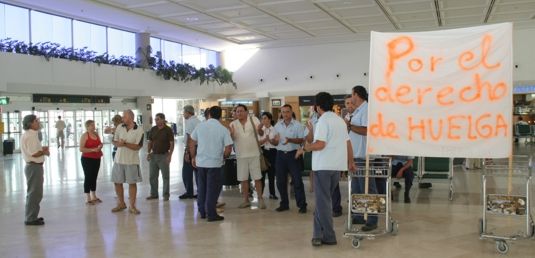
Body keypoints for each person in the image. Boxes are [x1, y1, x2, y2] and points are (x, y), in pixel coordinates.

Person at [304, 92, 355, 246]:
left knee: (323, 203)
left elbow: (320, 144)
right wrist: (350, 162)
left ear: (317, 107)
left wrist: (306, 148)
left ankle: (329, 236)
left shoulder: (322, 121)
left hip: (323, 167)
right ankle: (317, 234)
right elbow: (348, 143)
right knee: (323, 202)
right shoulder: (340, 121)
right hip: (337, 167)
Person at [190, 106, 233, 222]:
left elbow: (192, 141)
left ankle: (202, 212)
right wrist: (224, 156)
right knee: (212, 189)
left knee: (202, 188)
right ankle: (211, 214)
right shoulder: (223, 129)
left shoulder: (200, 126)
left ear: (209, 115)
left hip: (201, 163)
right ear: (220, 116)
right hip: (214, 164)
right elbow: (228, 147)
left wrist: (193, 157)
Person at [348, 85, 380, 232]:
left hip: (364, 157)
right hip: (355, 156)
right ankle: (360, 215)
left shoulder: (367, 109)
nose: (351, 98)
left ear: (357, 94)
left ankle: (373, 219)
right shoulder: (358, 110)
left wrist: (349, 126)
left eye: (352, 95)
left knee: (368, 188)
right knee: (357, 189)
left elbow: (367, 130)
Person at [229, 104, 265, 209]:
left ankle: (260, 199)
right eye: (237, 111)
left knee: (257, 178)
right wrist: (231, 134)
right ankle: (245, 200)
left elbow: (261, 133)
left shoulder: (254, 120)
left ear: (246, 112)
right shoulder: (233, 124)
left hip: (254, 154)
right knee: (243, 179)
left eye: (241, 111)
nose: (239, 113)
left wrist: (260, 129)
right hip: (240, 155)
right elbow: (232, 139)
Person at [273, 104, 307, 213]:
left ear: (291, 112)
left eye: (287, 112)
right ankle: (284, 204)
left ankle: (302, 205)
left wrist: (290, 140)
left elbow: (301, 140)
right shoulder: (277, 126)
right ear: (281, 113)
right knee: (280, 181)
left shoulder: (297, 125)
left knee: (297, 181)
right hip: (280, 155)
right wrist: (274, 141)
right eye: (283, 112)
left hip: (294, 155)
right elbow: (274, 142)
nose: (285, 114)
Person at [111, 109, 144, 215]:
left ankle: (132, 206)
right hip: (118, 160)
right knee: (117, 182)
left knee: (132, 183)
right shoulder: (120, 127)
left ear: (131, 118)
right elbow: (114, 141)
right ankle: (121, 203)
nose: (122, 118)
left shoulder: (139, 130)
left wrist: (124, 144)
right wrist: (117, 143)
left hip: (132, 161)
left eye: (124, 116)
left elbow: (138, 146)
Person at [21, 114, 50, 226]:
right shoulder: (31, 136)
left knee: (34, 192)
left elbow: (32, 150)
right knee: (35, 193)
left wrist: (41, 149)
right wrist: (44, 152)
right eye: (36, 121)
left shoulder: (30, 134)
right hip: (34, 167)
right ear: (30, 123)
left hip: (33, 167)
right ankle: (30, 218)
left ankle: (32, 216)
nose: (38, 123)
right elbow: (34, 153)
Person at [147, 113, 175, 201]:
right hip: (153, 155)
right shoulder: (153, 129)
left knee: (165, 176)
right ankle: (154, 194)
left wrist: (170, 155)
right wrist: (148, 152)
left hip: (164, 156)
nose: (156, 121)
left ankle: (166, 195)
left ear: (163, 119)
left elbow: (171, 143)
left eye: (158, 119)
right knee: (152, 176)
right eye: (155, 119)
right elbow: (150, 142)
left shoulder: (168, 130)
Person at [79, 120, 103, 205]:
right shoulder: (85, 136)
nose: (94, 127)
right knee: (88, 176)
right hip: (87, 159)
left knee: (94, 176)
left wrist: (100, 146)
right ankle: (88, 197)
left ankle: (94, 196)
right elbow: (81, 149)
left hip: (97, 158)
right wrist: (93, 149)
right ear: (87, 127)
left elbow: (100, 143)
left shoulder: (96, 134)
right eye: (92, 125)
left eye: (94, 125)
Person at [179, 105, 201, 199]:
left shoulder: (190, 122)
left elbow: (189, 138)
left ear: (188, 112)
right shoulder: (198, 121)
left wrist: (187, 152)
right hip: (198, 148)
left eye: (184, 112)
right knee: (197, 171)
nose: (183, 114)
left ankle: (189, 192)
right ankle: (200, 192)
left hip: (191, 148)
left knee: (186, 172)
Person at [258, 112, 278, 200]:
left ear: (269, 119)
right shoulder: (260, 130)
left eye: (265, 118)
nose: (263, 120)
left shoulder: (275, 129)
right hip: (263, 153)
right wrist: (265, 139)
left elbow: (276, 143)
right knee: (262, 174)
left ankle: (272, 193)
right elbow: (258, 143)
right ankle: (260, 194)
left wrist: (269, 140)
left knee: (271, 174)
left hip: (272, 153)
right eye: (262, 118)